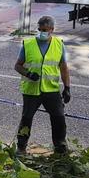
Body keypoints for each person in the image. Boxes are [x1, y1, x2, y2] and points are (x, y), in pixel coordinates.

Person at [14, 15, 71, 154]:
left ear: (52, 29)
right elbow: (17, 66)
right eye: (39, 29)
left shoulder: (59, 44)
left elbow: (63, 67)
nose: (41, 32)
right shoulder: (28, 44)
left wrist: (67, 88)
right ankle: (21, 147)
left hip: (51, 89)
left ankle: (60, 146)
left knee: (58, 117)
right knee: (26, 119)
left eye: (45, 29)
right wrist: (28, 74)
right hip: (31, 91)